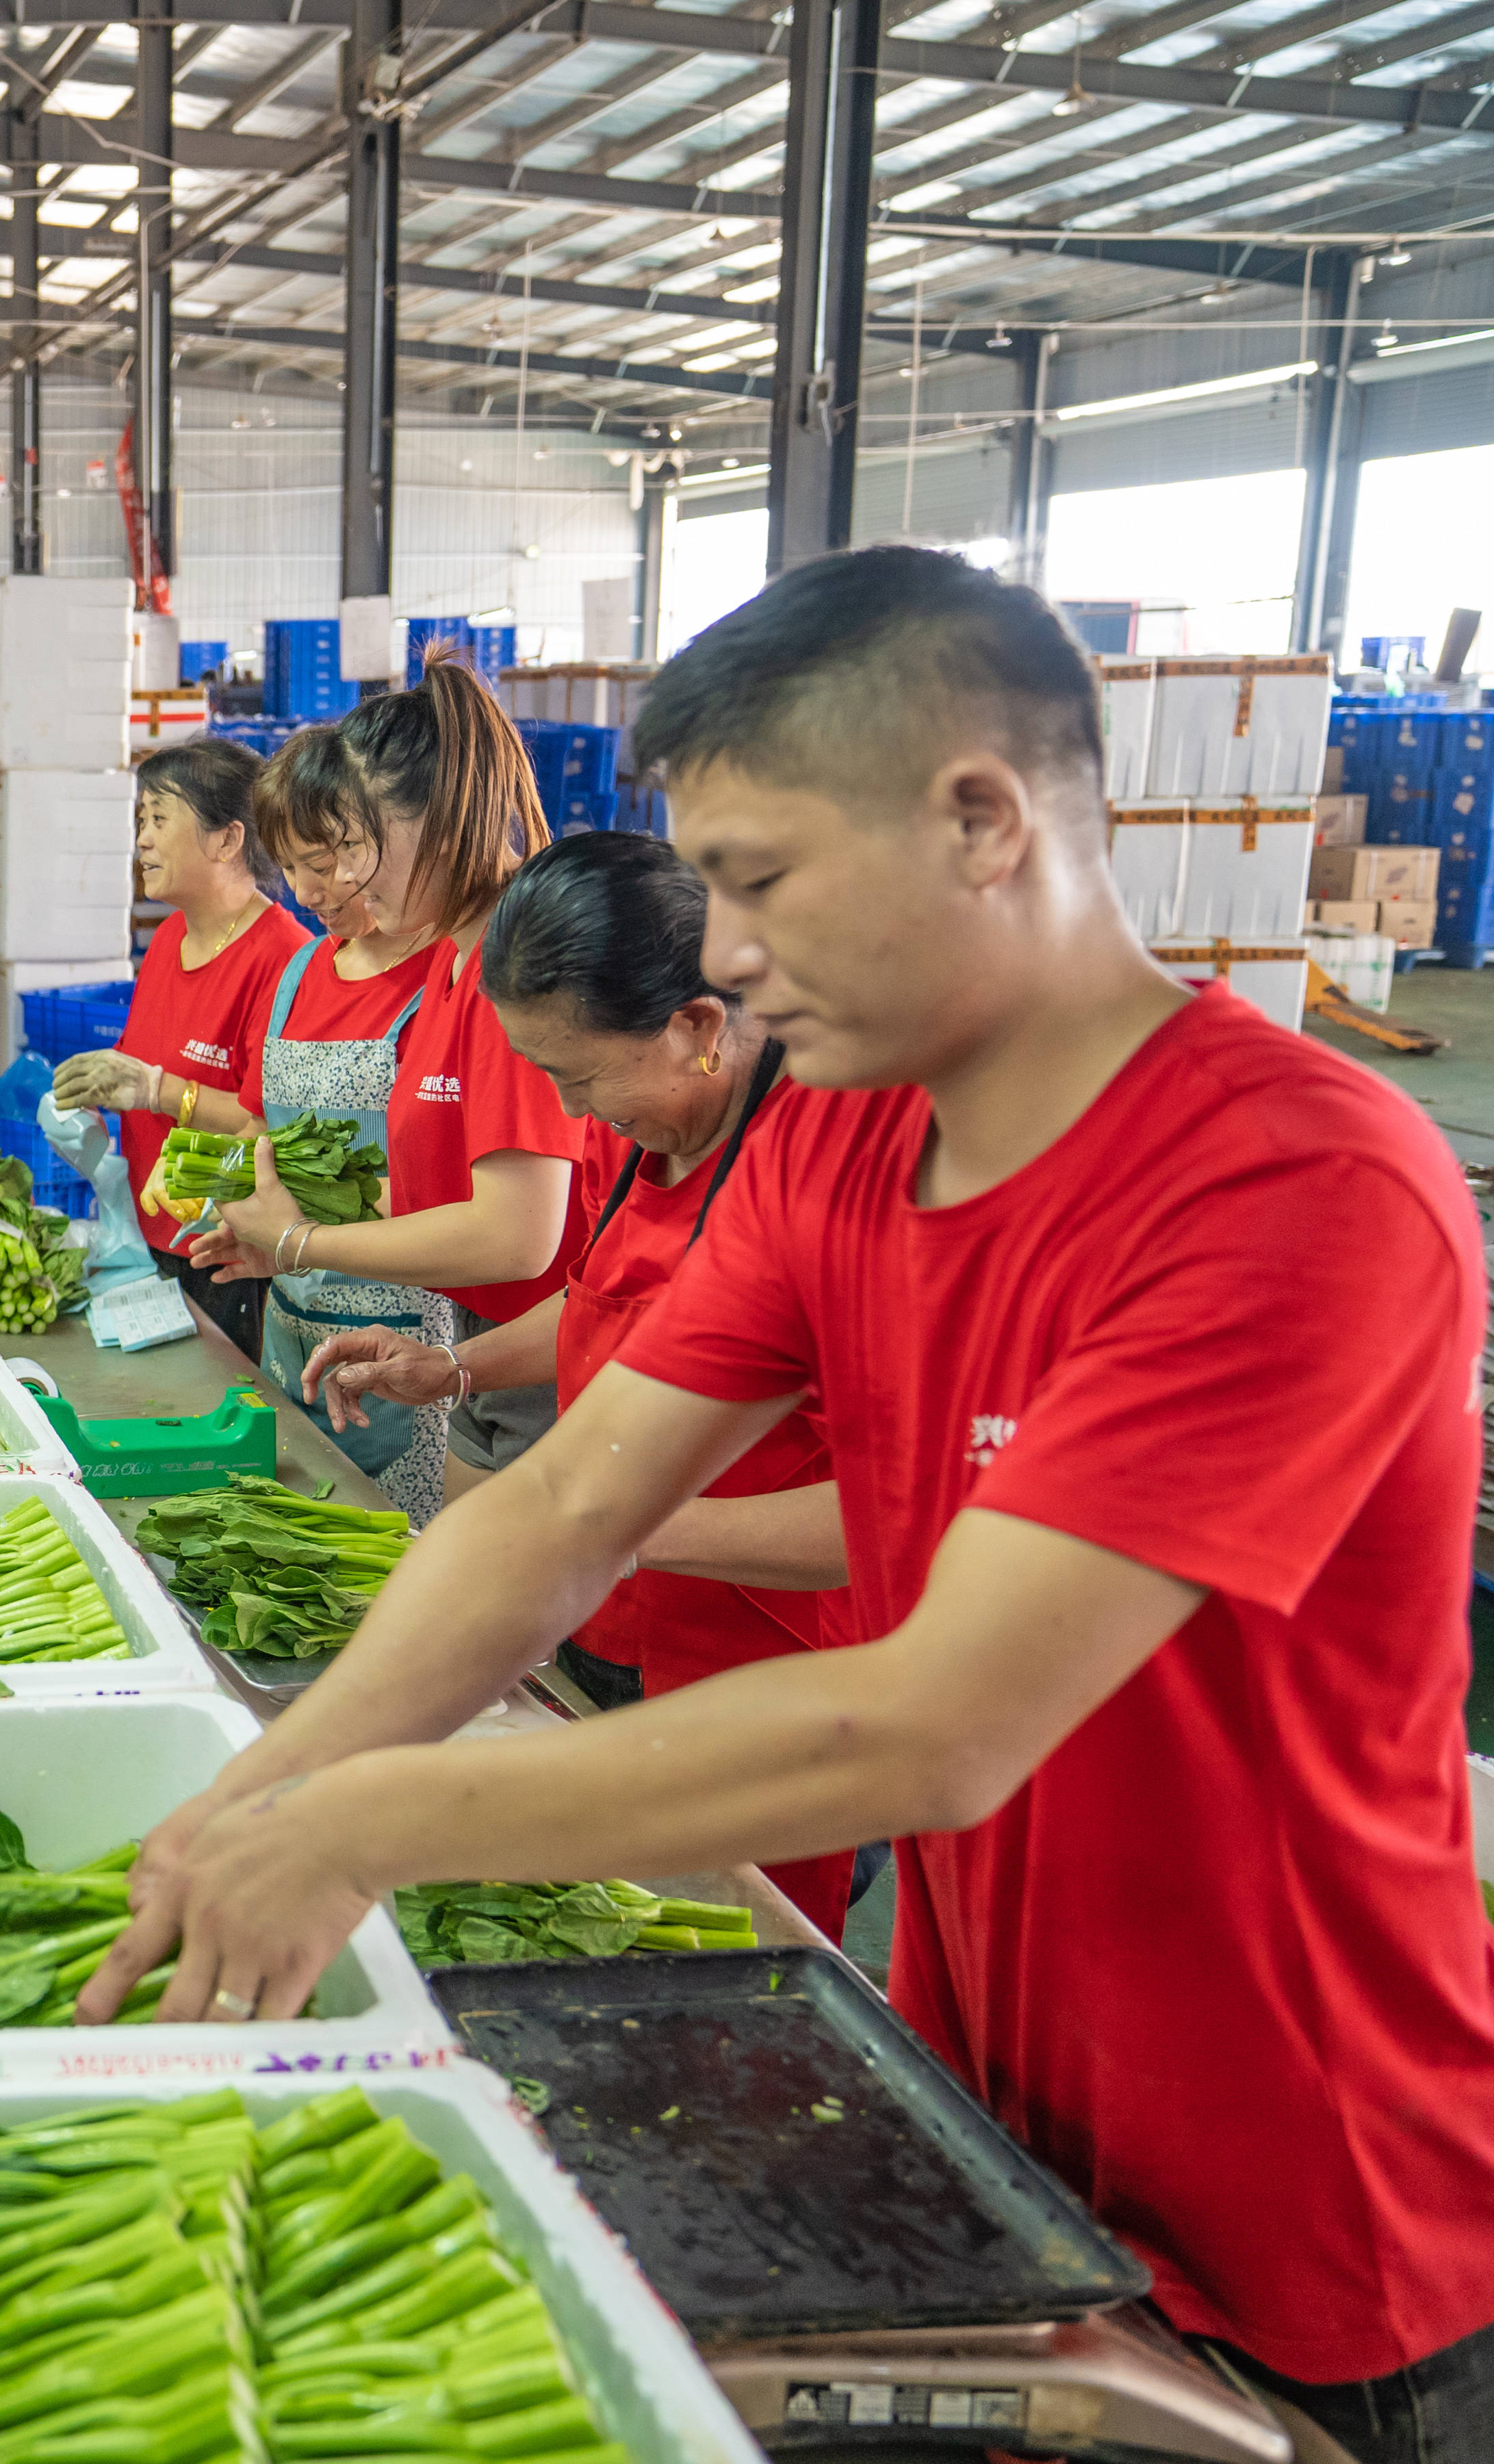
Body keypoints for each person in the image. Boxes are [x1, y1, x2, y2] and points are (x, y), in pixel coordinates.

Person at [84, 549, 1494, 2461]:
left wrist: (376, 1817)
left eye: (757, 882)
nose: (723, 956)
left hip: (1302, 2210)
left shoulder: (1293, 1189)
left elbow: (943, 1722)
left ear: (981, 821)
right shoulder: (843, 1130)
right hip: (995, 2112)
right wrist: (247, 1794)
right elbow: (565, 1500)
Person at [296, 830, 861, 1937]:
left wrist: (628, 1529)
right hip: (616, 1629)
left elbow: (888, 1519)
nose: (570, 1105)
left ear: (698, 1028)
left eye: (578, 1074)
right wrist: (455, 1366)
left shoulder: (820, 1179)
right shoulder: (648, 1134)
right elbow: (605, 1300)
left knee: (731, 1959)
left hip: (769, 1675)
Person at [192, 655, 582, 1519]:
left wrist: (303, 1245)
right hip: (486, 1354)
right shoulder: (450, 964)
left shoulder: (507, 970)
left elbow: (518, 1239)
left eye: (357, 848)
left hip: (555, 1367)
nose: (349, 882)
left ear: (439, 822)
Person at [45, 737, 312, 1357]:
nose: (143, 839)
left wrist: (161, 1091)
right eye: (141, 820)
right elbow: (139, 1063)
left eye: (160, 819)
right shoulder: (168, 940)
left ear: (227, 840)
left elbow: (275, 1122)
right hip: (149, 1239)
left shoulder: (284, 958)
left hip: (227, 1249)